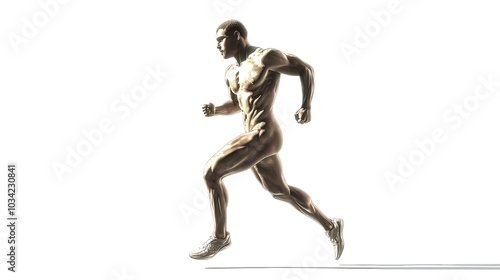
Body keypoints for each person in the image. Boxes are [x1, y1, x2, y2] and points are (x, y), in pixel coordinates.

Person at [189, 20, 344, 260]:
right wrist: (217, 110)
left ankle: (220, 237)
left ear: (236, 36)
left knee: (211, 173)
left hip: (264, 133)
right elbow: (238, 104)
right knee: (281, 192)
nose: (217, 46)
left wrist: (306, 106)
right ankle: (330, 225)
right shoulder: (231, 72)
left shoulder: (265, 57)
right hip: (256, 138)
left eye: (220, 40)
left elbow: (305, 69)